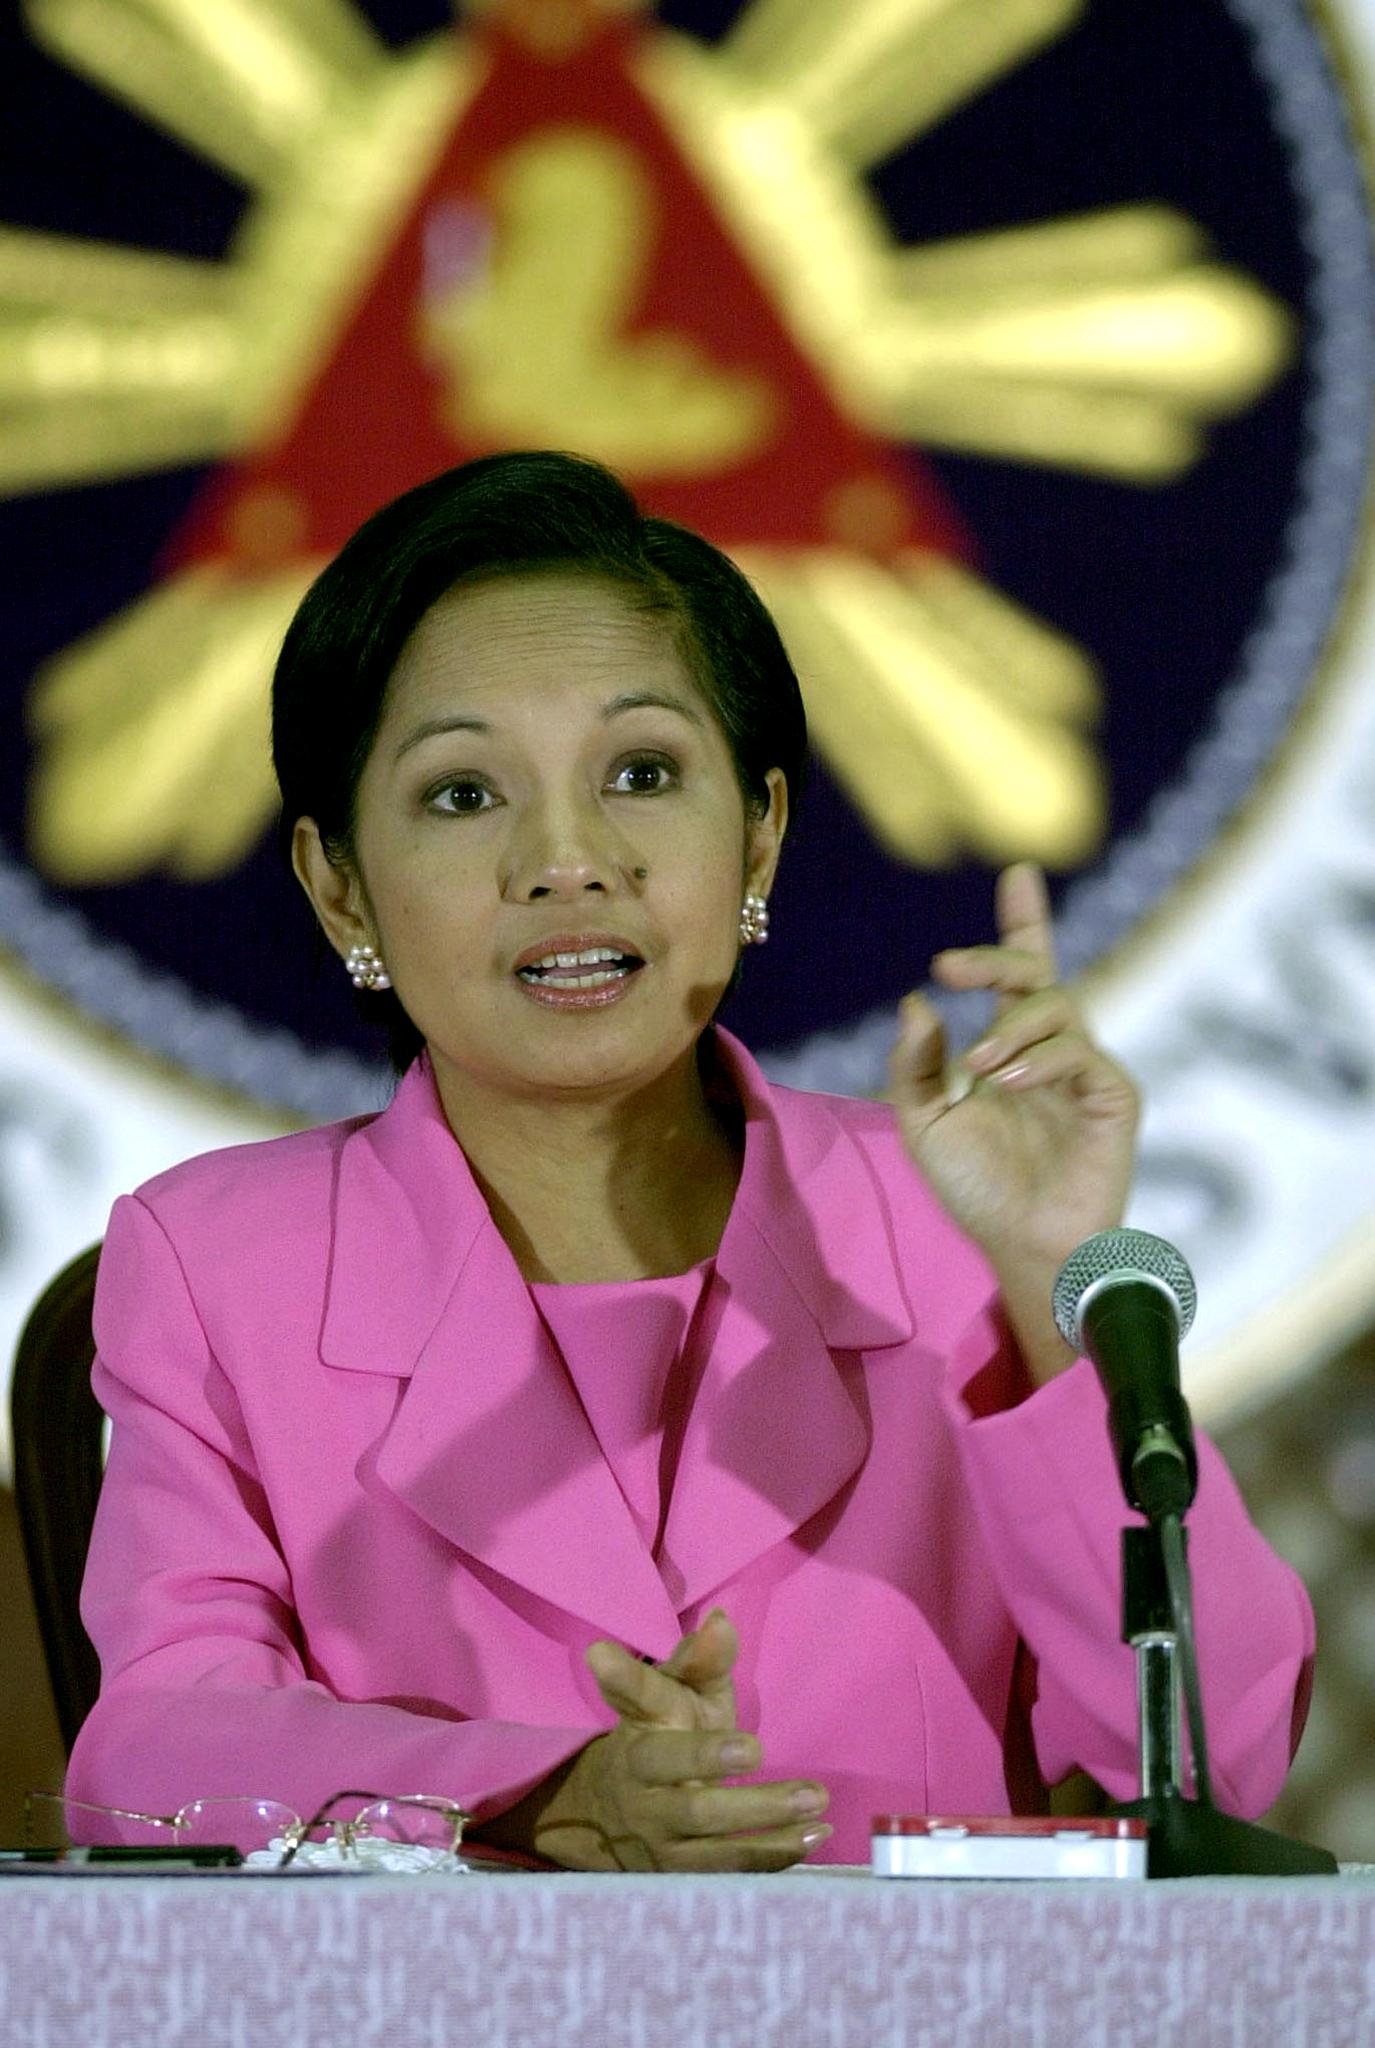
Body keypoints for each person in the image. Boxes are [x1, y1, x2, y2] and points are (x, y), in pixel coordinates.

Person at [66, 451, 1313, 1870]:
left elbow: (1217, 1763)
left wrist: (1045, 1277)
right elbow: (152, 1756)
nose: (567, 859)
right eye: (463, 795)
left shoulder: (953, 1220)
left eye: (643, 774)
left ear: (759, 836)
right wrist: (534, 1794)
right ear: (339, 885)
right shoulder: (220, 1266)